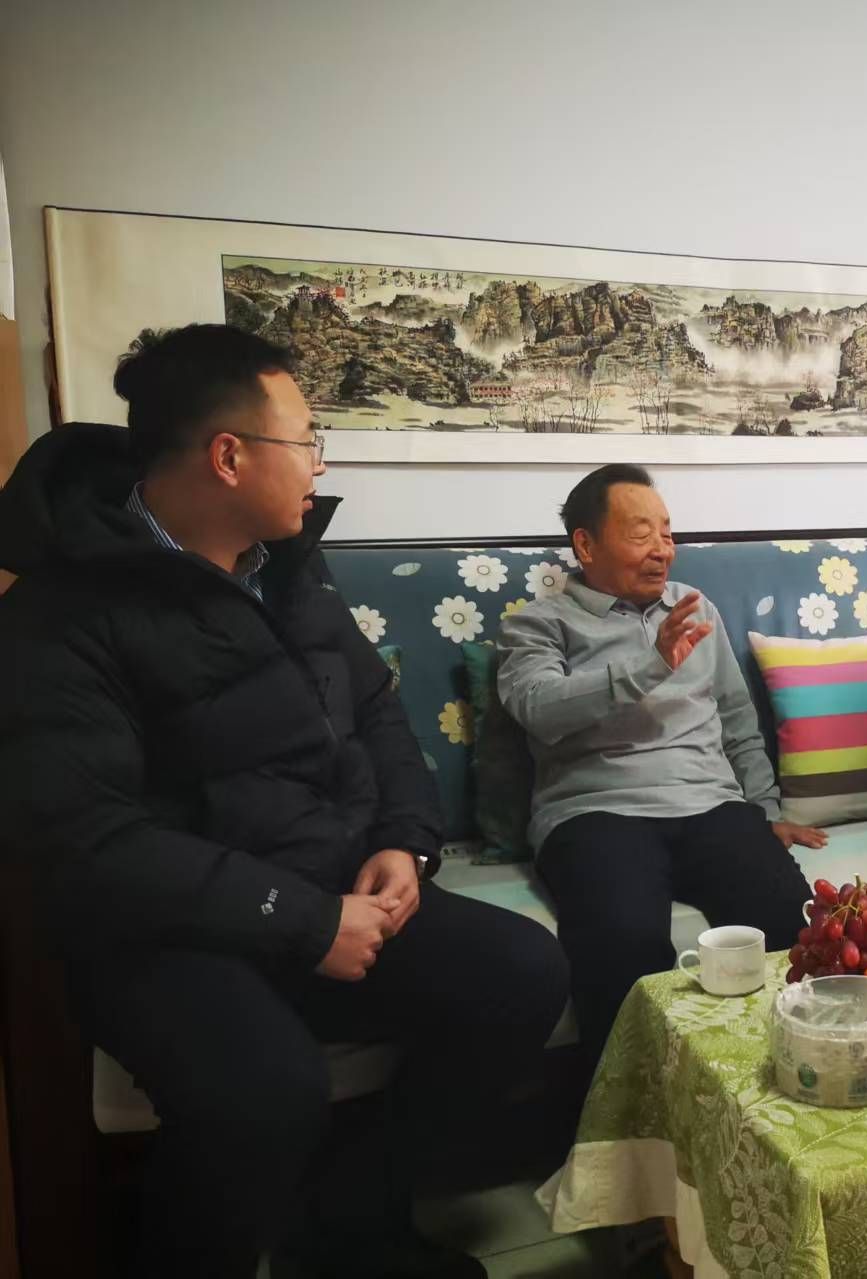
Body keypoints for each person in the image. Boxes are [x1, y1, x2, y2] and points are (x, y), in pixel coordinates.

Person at [0, 325, 571, 1279]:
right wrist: (305, 920)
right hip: (167, 929)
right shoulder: (62, 611)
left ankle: (353, 1226)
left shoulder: (290, 566)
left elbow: (377, 710)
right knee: (264, 1089)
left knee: (522, 971)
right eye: (306, 440)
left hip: (327, 880)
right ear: (229, 456)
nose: (319, 463)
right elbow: (89, 840)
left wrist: (405, 842)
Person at [496, 465, 824, 1051]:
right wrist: (651, 665)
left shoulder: (694, 608)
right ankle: (625, 1103)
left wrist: (765, 808)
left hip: (711, 806)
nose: (662, 550)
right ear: (586, 545)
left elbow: (736, 716)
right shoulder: (538, 624)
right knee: (622, 945)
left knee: (793, 923)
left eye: (667, 533)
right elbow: (538, 707)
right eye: (641, 533)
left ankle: (797, 1072)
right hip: (596, 814)